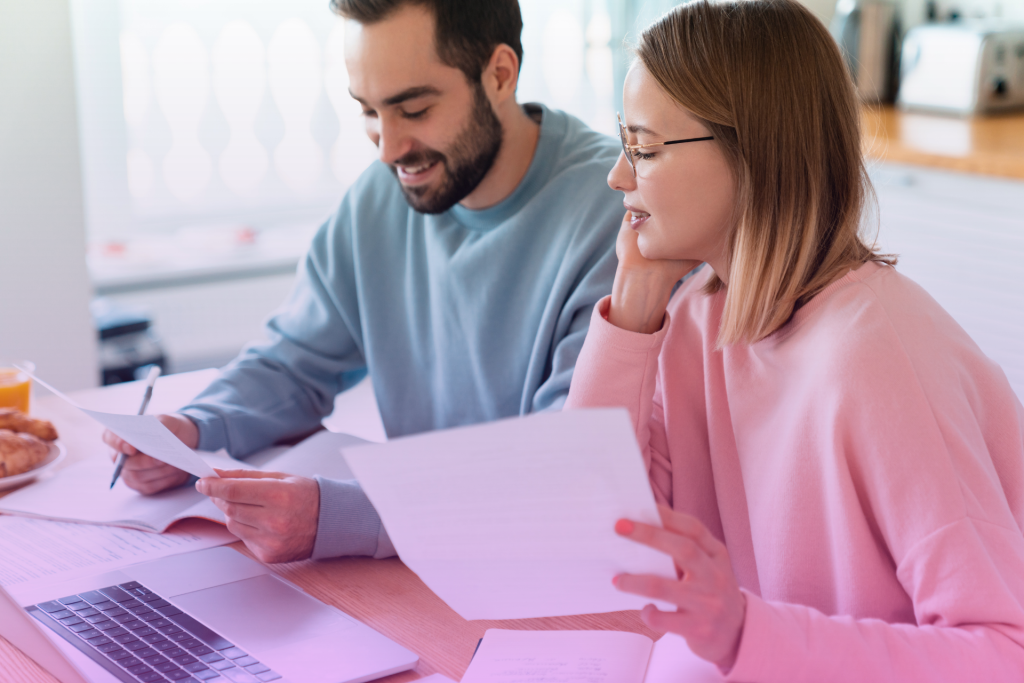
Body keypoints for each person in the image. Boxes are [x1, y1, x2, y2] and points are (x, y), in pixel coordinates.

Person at [565, 0, 1024, 679]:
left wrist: (746, 632)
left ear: (754, 153)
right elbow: (598, 532)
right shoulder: (696, 320)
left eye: (647, 147)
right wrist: (633, 310)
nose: (619, 176)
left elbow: (1002, 650)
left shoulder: (877, 359)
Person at [104, 0, 623, 564]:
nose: (388, 147)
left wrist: (351, 516)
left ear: (499, 75)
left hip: (550, 563)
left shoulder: (617, 211)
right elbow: (293, 363)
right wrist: (192, 427)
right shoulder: (381, 197)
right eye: (369, 110)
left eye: (415, 109)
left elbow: (566, 460)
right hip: (418, 563)